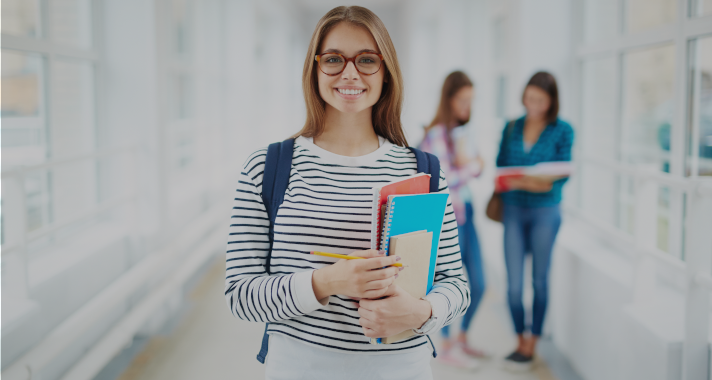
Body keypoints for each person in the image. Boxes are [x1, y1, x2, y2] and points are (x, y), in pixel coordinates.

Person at [224, 6, 470, 380]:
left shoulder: (424, 171)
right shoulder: (267, 167)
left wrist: (422, 312)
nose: (350, 73)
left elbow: (456, 284)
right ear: (315, 68)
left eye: (367, 59)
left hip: (401, 369)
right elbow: (240, 296)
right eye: (334, 59)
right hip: (299, 369)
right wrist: (330, 281)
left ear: (386, 72)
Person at [495, 71, 574, 371]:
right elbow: (501, 171)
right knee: (514, 286)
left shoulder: (563, 130)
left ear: (551, 101)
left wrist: (522, 181)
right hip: (513, 211)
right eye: (529, 98)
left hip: (546, 213)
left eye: (540, 100)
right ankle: (519, 340)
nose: (533, 105)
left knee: (539, 281)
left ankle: (533, 341)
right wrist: (532, 180)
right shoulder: (511, 126)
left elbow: (557, 180)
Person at [419, 71, 487, 370]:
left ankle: (462, 338)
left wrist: (473, 165)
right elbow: (443, 181)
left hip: (467, 213)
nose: (467, 106)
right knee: (445, 282)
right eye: (462, 99)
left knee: (481, 283)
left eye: (471, 100)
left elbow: (475, 164)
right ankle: (444, 343)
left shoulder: (462, 131)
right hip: (448, 218)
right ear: (449, 99)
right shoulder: (434, 135)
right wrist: (473, 167)